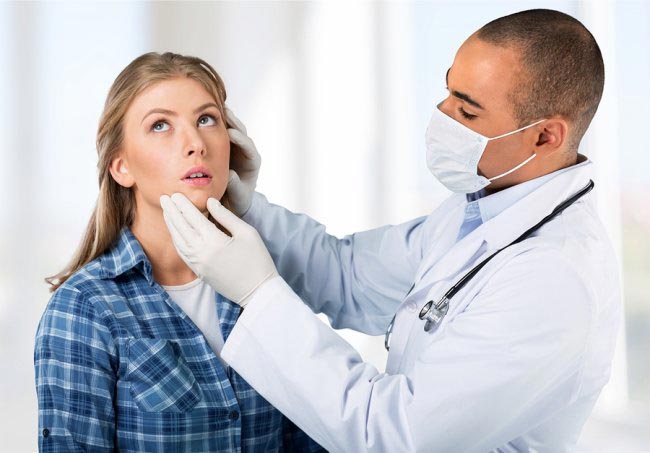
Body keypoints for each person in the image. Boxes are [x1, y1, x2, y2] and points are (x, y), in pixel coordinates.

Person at [161, 9, 622, 452]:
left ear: (546, 136)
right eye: (447, 92)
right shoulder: (479, 210)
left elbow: (393, 435)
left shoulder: (553, 278)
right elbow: (349, 277)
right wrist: (248, 209)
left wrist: (258, 294)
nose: (441, 115)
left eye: (466, 111)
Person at [34, 52, 323, 452]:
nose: (195, 144)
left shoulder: (265, 283)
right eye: (160, 125)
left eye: (207, 119)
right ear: (121, 167)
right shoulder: (85, 308)